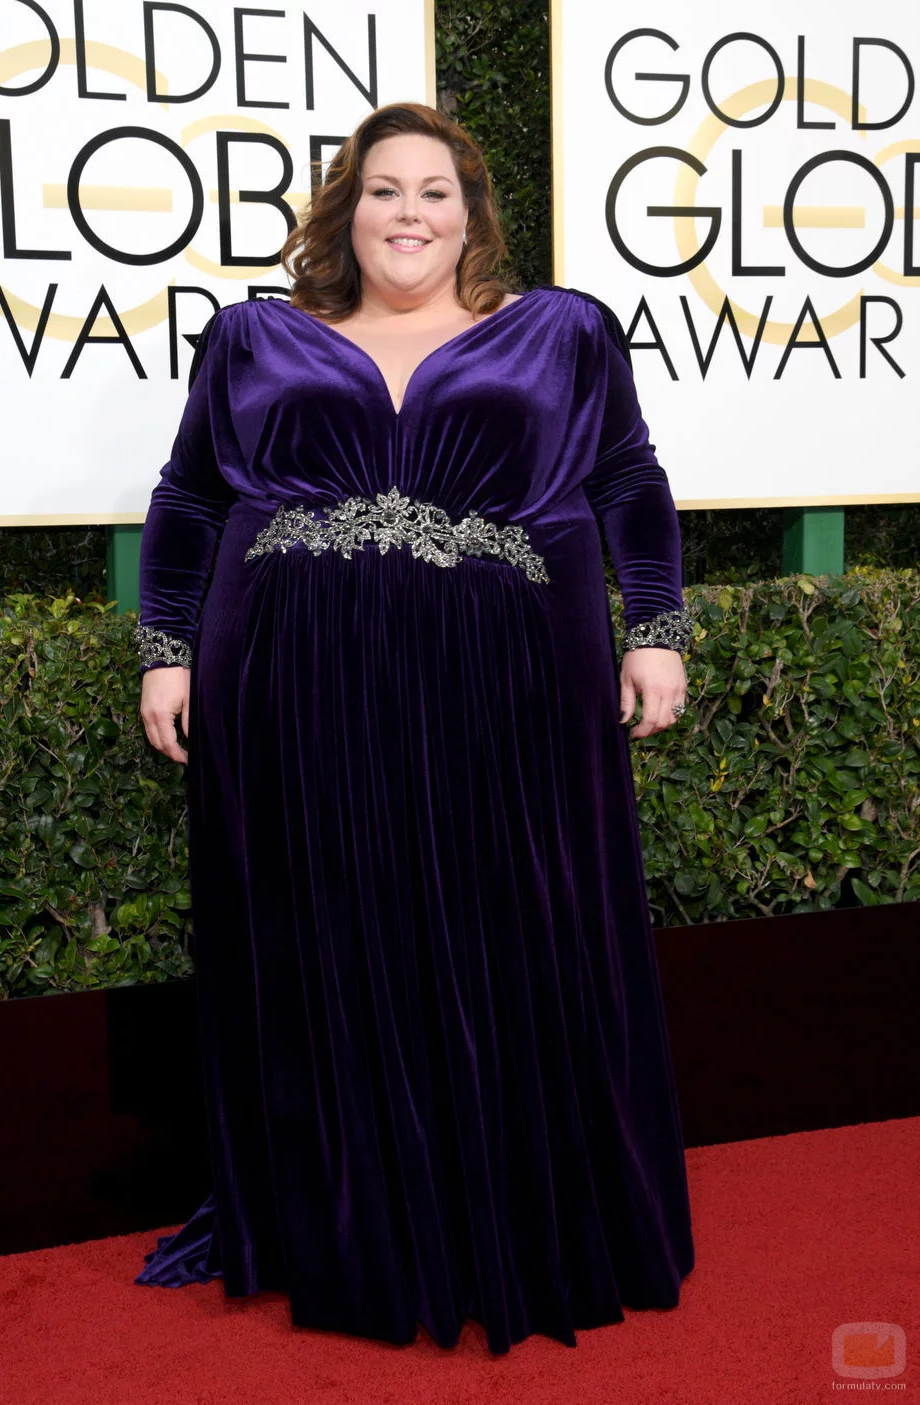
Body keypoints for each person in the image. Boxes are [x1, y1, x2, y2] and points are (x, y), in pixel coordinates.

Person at [133, 100, 695, 1355]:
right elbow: (191, 493)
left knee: (514, 922)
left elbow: (625, 476)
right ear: (346, 210)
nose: (408, 214)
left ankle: (512, 1217)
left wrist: (653, 625)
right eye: (383, 190)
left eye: (434, 191)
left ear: (471, 211)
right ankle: (345, 1226)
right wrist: (166, 649)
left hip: (508, 680)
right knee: (325, 929)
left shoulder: (559, 331)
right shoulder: (253, 338)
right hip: (292, 680)